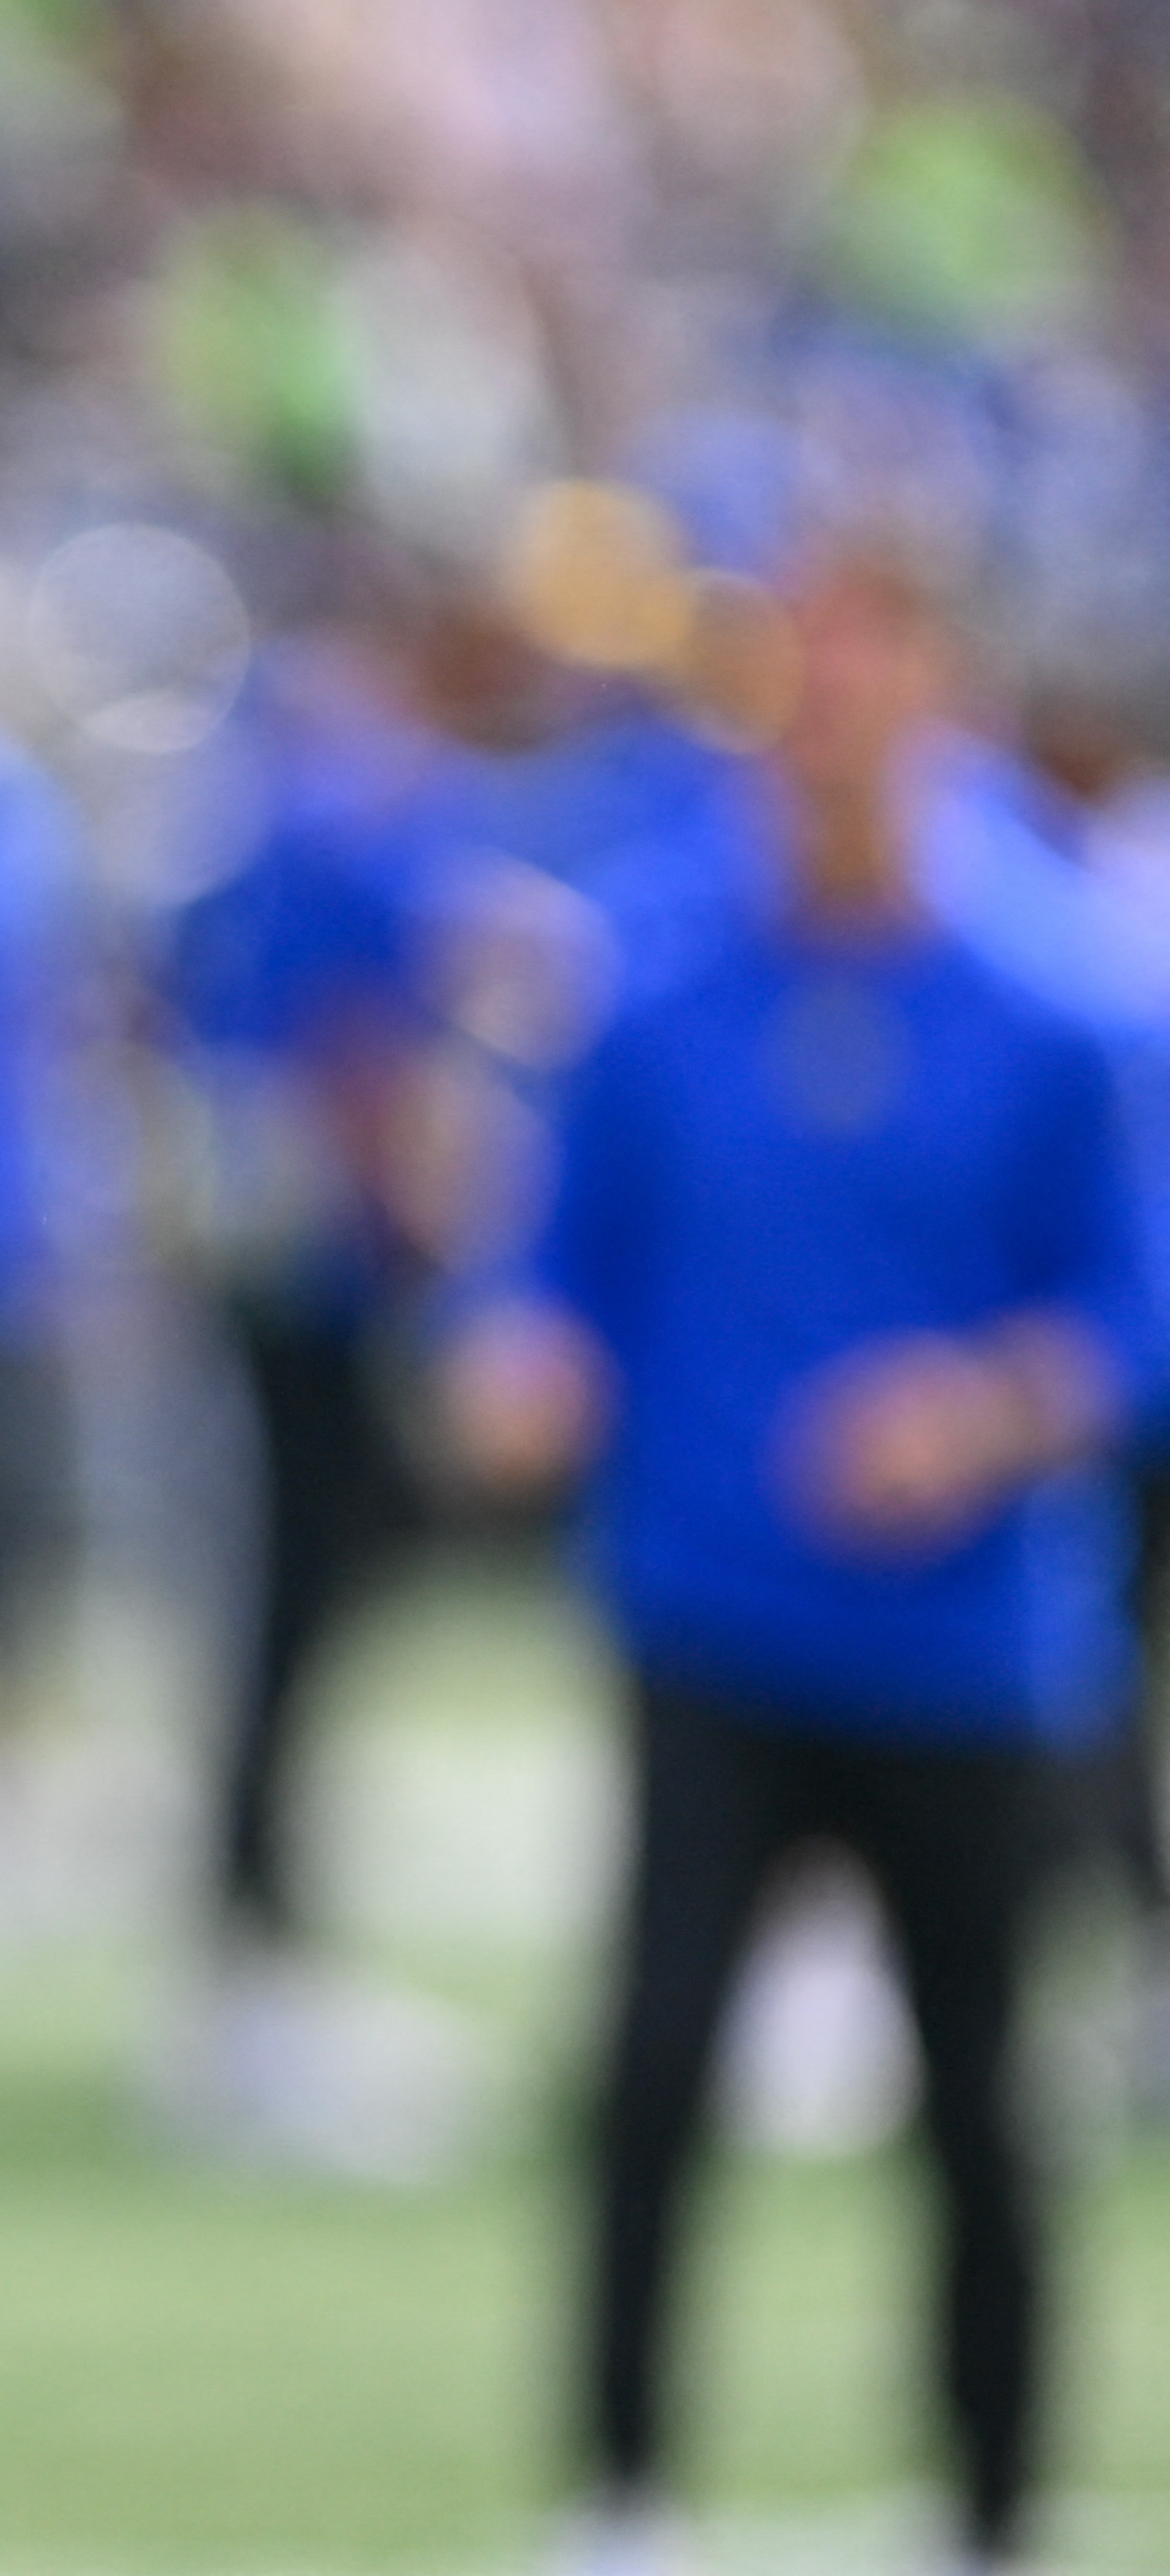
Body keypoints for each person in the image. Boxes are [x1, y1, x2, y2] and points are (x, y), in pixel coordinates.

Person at [442, 547, 1152, 2576]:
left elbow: (1133, 1305)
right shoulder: (660, 971)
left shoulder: (1060, 986)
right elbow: (561, 1255)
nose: (823, 717)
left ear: (938, 693)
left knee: (984, 2109)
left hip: (972, 1648)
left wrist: (986, 1408)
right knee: (656, 2065)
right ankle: (623, 2497)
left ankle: (998, 2509)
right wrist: (526, 1351)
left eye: (863, 673)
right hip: (707, 1610)